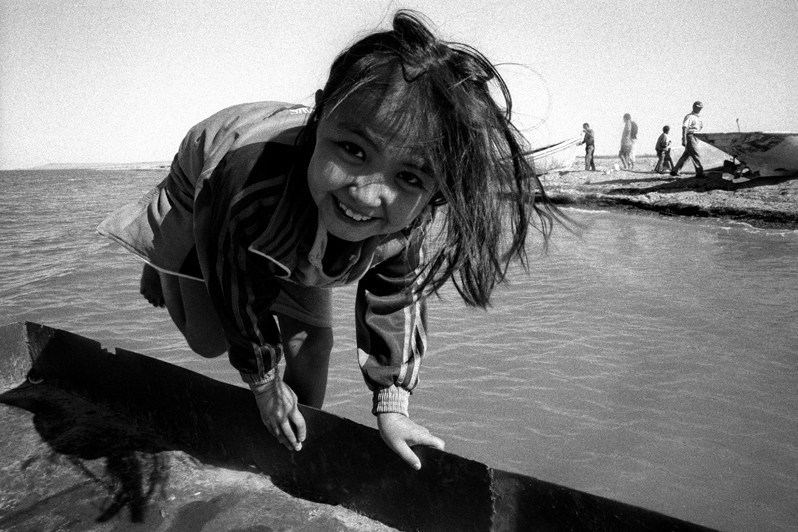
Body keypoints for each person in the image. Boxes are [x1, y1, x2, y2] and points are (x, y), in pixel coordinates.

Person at [97, 11, 556, 471]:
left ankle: (295, 449)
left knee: (312, 343)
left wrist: (393, 405)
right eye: (353, 151)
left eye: (409, 176)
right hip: (215, 179)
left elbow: (395, 298)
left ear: (435, 187)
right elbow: (236, 285)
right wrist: (264, 386)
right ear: (319, 118)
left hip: (301, 209)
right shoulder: (246, 187)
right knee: (209, 340)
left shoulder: (405, 219)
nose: (369, 193)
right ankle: (162, 260)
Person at [671, 101, 704, 177]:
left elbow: (700, 127)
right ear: (694, 107)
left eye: (700, 108)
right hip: (690, 136)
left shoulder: (698, 118)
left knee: (686, 155)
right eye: (698, 107)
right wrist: (684, 139)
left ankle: (675, 170)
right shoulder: (690, 116)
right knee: (696, 155)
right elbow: (684, 127)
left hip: (696, 137)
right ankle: (700, 173)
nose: (699, 109)